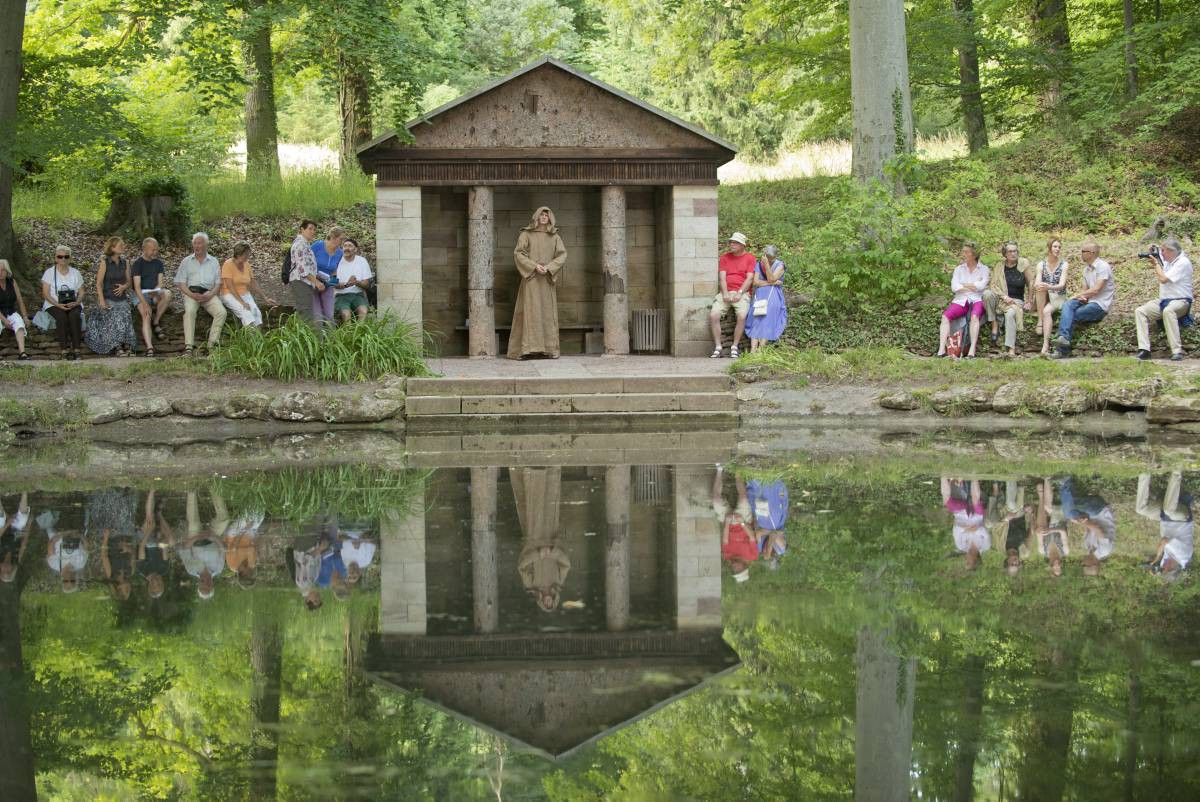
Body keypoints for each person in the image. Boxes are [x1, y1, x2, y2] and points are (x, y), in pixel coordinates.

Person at [509, 207, 568, 359]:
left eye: (546, 215)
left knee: (547, 314)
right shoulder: (526, 234)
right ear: (536, 216)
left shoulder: (555, 237)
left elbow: (562, 255)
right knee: (529, 312)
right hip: (531, 279)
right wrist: (534, 266)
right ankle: (525, 350)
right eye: (541, 214)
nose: (543, 217)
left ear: (550, 218)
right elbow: (518, 253)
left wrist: (549, 267)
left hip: (546, 279)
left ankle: (548, 349)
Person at [512, 466, 569, 611]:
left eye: (546, 604)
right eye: (551, 604)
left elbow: (522, 565)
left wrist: (538, 554)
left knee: (534, 507)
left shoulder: (530, 585)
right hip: (551, 537)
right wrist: (551, 552)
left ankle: (531, 473)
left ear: (541, 602)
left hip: (534, 539)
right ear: (555, 600)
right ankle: (552, 469)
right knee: (551, 505)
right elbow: (566, 564)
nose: (548, 601)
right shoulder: (558, 582)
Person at [1134, 236, 1193, 361]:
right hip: (1164, 301)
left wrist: (1155, 264)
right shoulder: (1168, 260)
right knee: (1140, 311)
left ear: (1171, 251)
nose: (1162, 254)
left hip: (1181, 301)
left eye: (1163, 251)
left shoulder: (1182, 262)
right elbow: (1161, 259)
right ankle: (1144, 350)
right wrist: (1154, 249)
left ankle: (1177, 351)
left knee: (1168, 311)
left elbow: (1163, 279)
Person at [1051, 242, 1113, 359]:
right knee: (1068, 305)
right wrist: (1081, 297)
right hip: (1088, 300)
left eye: (1083, 252)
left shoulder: (1103, 267)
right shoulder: (1086, 270)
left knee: (1071, 315)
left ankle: (1062, 349)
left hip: (1100, 305)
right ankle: (1063, 339)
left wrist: (1078, 295)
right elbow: (1085, 290)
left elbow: (1096, 290)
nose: (1081, 254)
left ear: (1092, 253)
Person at [84, 237, 139, 356]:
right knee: (113, 312)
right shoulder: (105, 262)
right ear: (112, 248)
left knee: (125, 311)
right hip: (108, 296)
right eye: (120, 246)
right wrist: (102, 300)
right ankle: (117, 345)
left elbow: (129, 282)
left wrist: (124, 287)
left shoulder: (126, 263)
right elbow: (98, 283)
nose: (123, 247)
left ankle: (127, 344)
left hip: (121, 298)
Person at [174, 232, 226, 356]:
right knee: (190, 312)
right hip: (191, 293)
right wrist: (192, 295)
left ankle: (211, 346)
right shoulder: (186, 261)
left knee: (221, 312)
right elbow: (181, 283)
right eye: (195, 243)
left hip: (208, 294)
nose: (197, 246)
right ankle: (189, 347)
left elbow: (218, 283)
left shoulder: (213, 261)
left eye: (200, 243)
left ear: (206, 245)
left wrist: (210, 294)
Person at [1136, 472, 1192, 581]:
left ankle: (1145, 472)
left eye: (1163, 568)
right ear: (1172, 568)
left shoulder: (1167, 562)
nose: (1163, 566)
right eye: (1165, 568)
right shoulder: (1183, 556)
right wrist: (1157, 556)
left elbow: (1155, 559)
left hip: (1164, 518)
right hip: (1181, 518)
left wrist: (1152, 564)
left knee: (1140, 509)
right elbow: (1164, 541)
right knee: (1169, 510)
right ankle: (1176, 471)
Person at [936, 244, 989, 359]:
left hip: (977, 299)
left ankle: (972, 350)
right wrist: (973, 285)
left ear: (974, 254)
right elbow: (955, 287)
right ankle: (941, 350)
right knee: (945, 317)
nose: (964, 254)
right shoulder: (959, 269)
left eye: (967, 252)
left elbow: (981, 286)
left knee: (975, 318)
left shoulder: (984, 269)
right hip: (961, 299)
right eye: (963, 251)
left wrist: (963, 284)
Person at [173, 491, 227, 600]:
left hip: (194, 539)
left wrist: (196, 537)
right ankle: (214, 487)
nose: (203, 582)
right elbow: (222, 549)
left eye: (201, 584)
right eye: (207, 584)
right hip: (213, 536)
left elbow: (186, 548)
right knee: (224, 520)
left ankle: (191, 490)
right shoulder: (218, 568)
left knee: (193, 523)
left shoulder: (191, 569)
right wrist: (213, 537)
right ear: (212, 584)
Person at [982, 242, 1034, 356]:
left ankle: (1011, 348)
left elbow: (1031, 282)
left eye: (1015, 251)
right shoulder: (999, 266)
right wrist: (1004, 296)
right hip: (1001, 298)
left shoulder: (1023, 264)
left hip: (1016, 300)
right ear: (1005, 254)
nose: (1013, 253)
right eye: (1010, 251)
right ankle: (994, 322)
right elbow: (993, 286)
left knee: (1011, 313)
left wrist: (1029, 301)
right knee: (987, 294)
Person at [710, 232, 756, 359]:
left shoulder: (750, 258)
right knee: (714, 315)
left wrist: (740, 293)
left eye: (735, 242)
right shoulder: (725, 257)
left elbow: (749, 279)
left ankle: (734, 346)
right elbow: (722, 277)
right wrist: (724, 293)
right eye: (731, 242)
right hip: (725, 292)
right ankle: (718, 347)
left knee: (742, 316)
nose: (732, 244)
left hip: (742, 293)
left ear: (742, 245)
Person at [1057, 476, 1115, 576]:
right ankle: (1065, 483)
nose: (1082, 563)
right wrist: (1081, 522)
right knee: (1070, 510)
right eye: (1084, 565)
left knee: (1069, 511)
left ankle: (1066, 486)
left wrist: (1081, 521)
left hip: (1091, 516)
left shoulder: (1088, 547)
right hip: (1100, 510)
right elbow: (1097, 528)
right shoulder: (1104, 550)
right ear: (1093, 564)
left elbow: (1089, 527)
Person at [41, 244, 85, 359]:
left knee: (74, 316)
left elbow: (81, 292)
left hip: (73, 303)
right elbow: (45, 293)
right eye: (60, 256)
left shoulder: (76, 273)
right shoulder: (49, 273)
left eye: (66, 257)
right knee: (61, 317)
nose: (63, 259)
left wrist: (77, 302)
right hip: (53, 303)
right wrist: (57, 305)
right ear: (56, 258)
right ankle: (64, 350)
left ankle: (77, 349)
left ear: (69, 258)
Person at [714, 465, 757, 581]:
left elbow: (725, 539)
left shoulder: (727, 556)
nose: (734, 568)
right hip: (744, 521)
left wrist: (727, 522)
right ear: (744, 567)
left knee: (716, 501)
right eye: (737, 570)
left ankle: (719, 470)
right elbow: (752, 537)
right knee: (743, 498)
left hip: (729, 523)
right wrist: (742, 522)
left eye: (734, 571)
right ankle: (737, 470)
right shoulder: (752, 556)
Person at [131, 237, 173, 356]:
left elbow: (160, 283)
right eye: (152, 250)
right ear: (144, 249)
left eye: (156, 250)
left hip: (153, 292)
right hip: (140, 294)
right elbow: (137, 287)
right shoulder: (137, 264)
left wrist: (156, 291)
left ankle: (156, 322)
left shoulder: (158, 263)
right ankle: (149, 347)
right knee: (146, 314)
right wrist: (145, 304)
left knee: (167, 293)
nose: (155, 252)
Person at [219, 242, 275, 328]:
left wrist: (265, 298)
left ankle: (258, 340)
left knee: (257, 313)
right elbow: (230, 287)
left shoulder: (247, 264)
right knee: (246, 314)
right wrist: (242, 302)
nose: (248, 256)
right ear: (239, 254)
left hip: (244, 293)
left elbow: (253, 282)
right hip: (229, 293)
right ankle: (249, 340)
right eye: (246, 254)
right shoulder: (228, 264)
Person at [745, 245, 787, 353]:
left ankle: (761, 349)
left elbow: (771, 277)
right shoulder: (759, 264)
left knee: (768, 318)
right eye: (767, 256)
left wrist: (767, 265)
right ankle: (753, 350)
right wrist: (771, 282)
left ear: (776, 256)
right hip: (760, 294)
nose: (769, 259)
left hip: (773, 294)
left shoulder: (780, 265)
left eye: (771, 257)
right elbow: (756, 282)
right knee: (756, 318)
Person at [943, 478, 989, 570]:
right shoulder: (985, 546)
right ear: (975, 560)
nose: (965, 560)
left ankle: (943, 475)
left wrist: (970, 529)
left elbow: (955, 529)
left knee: (946, 501)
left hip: (961, 514)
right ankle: (973, 475)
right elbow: (984, 531)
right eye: (968, 562)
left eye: (965, 562)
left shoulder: (960, 545)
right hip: (977, 516)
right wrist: (974, 529)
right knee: (975, 500)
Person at [1034, 238, 1070, 354]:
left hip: (1058, 296)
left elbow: (1061, 285)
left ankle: (1045, 344)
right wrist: (1041, 285)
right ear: (1049, 248)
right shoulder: (1041, 264)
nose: (1058, 249)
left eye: (1059, 247)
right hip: (1044, 295)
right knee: (1040, 288)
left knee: (1047, 311)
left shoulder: (1064, 265)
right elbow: (1037, 282)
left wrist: (1048, 287)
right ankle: (1040, 321)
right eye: (1055, 246)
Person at [136, 489, 171, 600]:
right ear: (162, 583)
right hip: (157, 542)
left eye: (154, 586)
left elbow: (141, 548)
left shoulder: (142, 570)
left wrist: (150, 531)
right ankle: (159, 514)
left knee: (149, 521)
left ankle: (151, 491)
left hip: (144, 540)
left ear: (150, 585)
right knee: (171, 540)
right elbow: (165, 549)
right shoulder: (164, 569)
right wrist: (163, 541)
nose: (156, 583)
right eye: (159, 585)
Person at [42, 509, 87, 593]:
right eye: (72, 581)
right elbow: (86, 545)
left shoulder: (54, 564)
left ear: (62, 581)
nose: (69, 579)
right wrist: (80, 535)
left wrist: (63, 534)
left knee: (64, 516)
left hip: (58, 531)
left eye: (66, 581)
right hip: (77, 531)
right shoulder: (81, 563)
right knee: (78, 510)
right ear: (76, 580)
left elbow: (51, 543)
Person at [747, 477, 788, 569]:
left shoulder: (759, 548)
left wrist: (770, 533)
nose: (765, 550)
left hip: (761, 518)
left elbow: (758, 533)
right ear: (774, 555)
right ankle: (770, 482)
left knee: (759, 503)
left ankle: (758, 481)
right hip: (776, 520)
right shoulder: (781, 549)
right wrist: (770, 540)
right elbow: (773, 534)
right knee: (774, 512)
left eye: (766, 553)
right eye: (771, 554)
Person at [288, 219, 323, 325]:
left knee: (308, 312)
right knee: (306, 313)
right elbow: (303, 269)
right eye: (310, 229)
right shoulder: (300, 244)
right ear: (302, 229)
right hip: (300, 281)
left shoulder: (306, 244)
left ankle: (307, 337)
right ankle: (306, 338)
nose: (312, 232)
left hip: (306, 282)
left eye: (314, 230)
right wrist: (316, 282)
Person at [334, 238, 373, 323]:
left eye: (350, 246)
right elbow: (333, 283)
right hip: (341, 296)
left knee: (363, 311)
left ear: (356, 249)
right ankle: (347, 336)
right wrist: (346, 284)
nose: (347, 248)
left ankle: (358, 334)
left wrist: (356, 282)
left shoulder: (362, 261)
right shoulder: (336, 260)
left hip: (358, 295)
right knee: (346, 314)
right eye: (344, 246)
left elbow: (367, 284)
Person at [311, 226, 345, 325]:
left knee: (329, 316)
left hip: (327, 284)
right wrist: (315, 281)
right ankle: (318, 340)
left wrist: (333, 283)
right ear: (334, 237)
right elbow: (306, 263)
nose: (342, 241)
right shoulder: (318, 246)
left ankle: (332, 339)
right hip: (313, 283)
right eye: (341, 239)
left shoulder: (339, 252)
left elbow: (334, 270)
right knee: (317, 318)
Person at [1035, 477, 1069, 577]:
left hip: (1046, 522)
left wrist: (1040, 531)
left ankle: (1041, 495)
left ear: (1051, 567)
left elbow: (1038, 534)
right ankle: (1045, 481)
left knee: (1040, 527)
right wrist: (1050, 530)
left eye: (1056, 569)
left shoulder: (1042, 550)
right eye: (1060, 568)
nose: (1057, 566)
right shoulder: (1065, 551)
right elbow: (1063, 532)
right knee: (1048, 508)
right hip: (1060, 521)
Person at [223, 506, 263, 589]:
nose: (253, 573)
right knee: (260, 516)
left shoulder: (232, 564)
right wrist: (267, 530)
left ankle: (248, 498)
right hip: (249, 534)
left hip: (234, 535)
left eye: (250, 575)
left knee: (247, 518)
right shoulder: (252, 564)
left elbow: (235, 545)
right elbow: (255, 546)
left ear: (244, 574)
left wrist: (246, 528)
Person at [0, 259, 31, 360]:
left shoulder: (12, 282)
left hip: (10, 311)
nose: (0, 273)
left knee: (19, 323)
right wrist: (4, 320)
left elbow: (20, 300)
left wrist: (25, 316)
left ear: (7, 271)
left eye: (2, 270)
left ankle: (22, 353)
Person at [0, 493, 31, 584]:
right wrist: (29, 525)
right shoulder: (16, 560)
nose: (5, 569)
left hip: (2, 528)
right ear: (12, 569)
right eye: (8, 571)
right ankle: (25, 492)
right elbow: (24, 543)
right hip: (15, 530)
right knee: (22, 519)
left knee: (0, 519)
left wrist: (8, 523)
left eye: (3, 571)